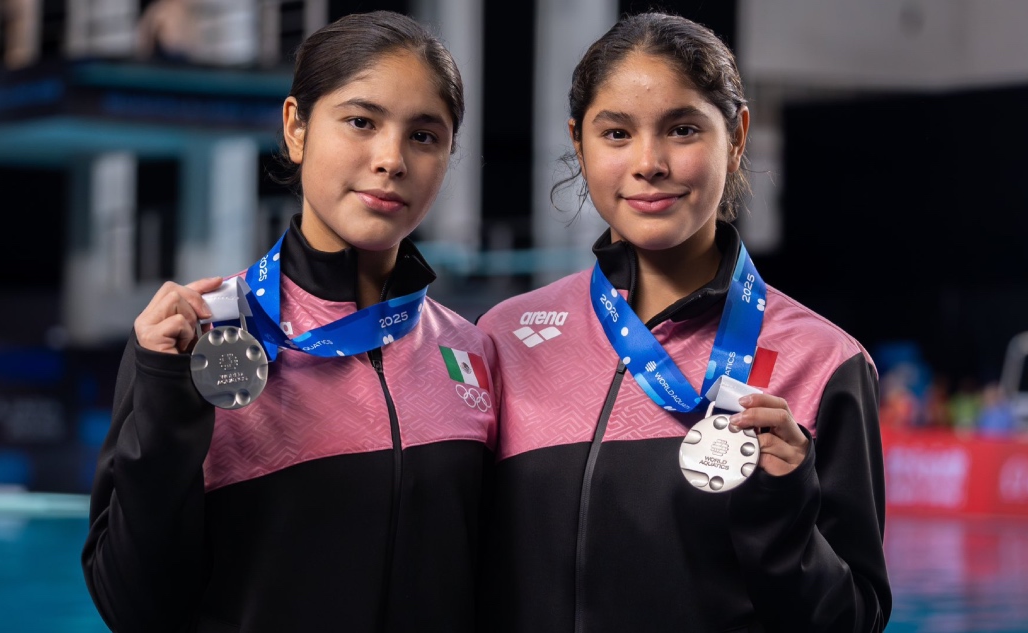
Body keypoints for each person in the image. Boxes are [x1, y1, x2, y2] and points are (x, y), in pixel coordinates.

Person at [477, 13, 891, 632]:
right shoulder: (505, 337)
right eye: (616, 133)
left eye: (682, 129)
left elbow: (853, 620)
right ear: (579, 143)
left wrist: (780, 504)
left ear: (737, 135)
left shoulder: (825, 361)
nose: (649, 163)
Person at [83, 12, 497, 632]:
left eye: (424, 136)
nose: (391, 159)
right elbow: (132, 609)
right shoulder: (201, 336)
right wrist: (167, 398)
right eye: (361, 122)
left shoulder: (470, 350)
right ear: (296, 128)